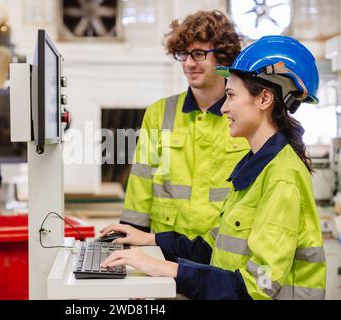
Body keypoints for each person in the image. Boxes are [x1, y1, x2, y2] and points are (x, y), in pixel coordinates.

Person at [101, 35, 327, 300]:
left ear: (264, 98)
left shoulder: (282, 178)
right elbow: (213, 247)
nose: (225, 108)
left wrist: (164, 268)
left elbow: (258, 286)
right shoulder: (256, 167)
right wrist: (150, 241)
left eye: (231, 96)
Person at [121, 10, 249, 240]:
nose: (189, 63)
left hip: (221, 256)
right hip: (166, 252)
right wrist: (130, 241)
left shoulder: (245, 116)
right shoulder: (159, 113)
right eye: (183, 54)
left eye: (198, 53)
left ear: (223, 56)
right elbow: (141, 181)